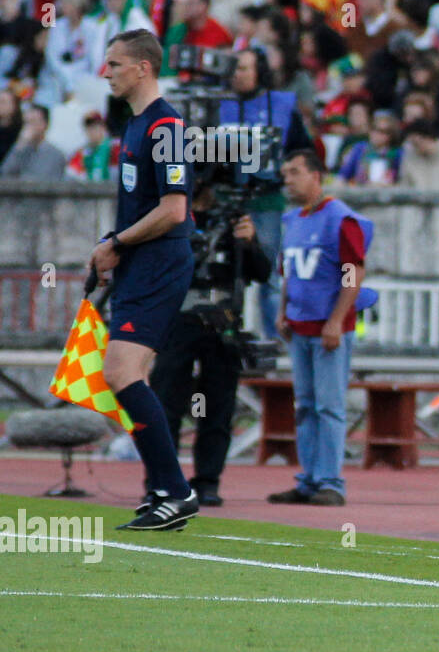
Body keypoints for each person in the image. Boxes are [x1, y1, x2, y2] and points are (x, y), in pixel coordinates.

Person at [91, 29, 197, 531]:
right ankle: (161, 488)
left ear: (143, 68)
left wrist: (117, 243)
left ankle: (176, 490)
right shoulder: (135, 125)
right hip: (140, 261)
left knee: (119, 372)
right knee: (134, 374)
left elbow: (174, 210)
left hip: (159, 262)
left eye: (114, 64)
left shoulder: (167, 125)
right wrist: (114, 243)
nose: (106, 72)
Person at [150, 181, 273, 506]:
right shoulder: (172, 216)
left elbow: (261, 272)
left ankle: (207, 480)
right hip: (178, 319)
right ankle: (162, 479)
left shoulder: (233, 220)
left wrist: (249, 242)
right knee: (166, 402)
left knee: (218, 404)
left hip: (222, 322)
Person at [268, 149, 373, 508]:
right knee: (306, 406)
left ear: (316, 175)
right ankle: (310, 479)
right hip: (300, 326)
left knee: (329, 406)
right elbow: (288, 272)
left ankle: (331, 481)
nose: (288, 179)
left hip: (328, 330)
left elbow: (353, 272)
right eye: (285, 172)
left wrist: (335, 320)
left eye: (295, 172)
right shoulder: (292, 220)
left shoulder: (341, 219)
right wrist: (283, 312)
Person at [218, 48, 314, 340]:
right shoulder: (216, 105)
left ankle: (275, 340)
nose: (238, 74)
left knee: (270, 274)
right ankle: (222, 337)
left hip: (267, 199)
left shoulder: (282, 105)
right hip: (225, 200)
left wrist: (287, 172)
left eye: (245, 68)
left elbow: (302, 148)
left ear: (259, 71)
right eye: (235, 69)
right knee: (221, 273)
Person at [0, 105, 67, 180]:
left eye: (33, 121)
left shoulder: (55, 154)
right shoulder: (20, 149)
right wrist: (19, 146)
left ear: (45, 124)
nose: (28, 127)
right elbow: (5, 173)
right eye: (26, 123)